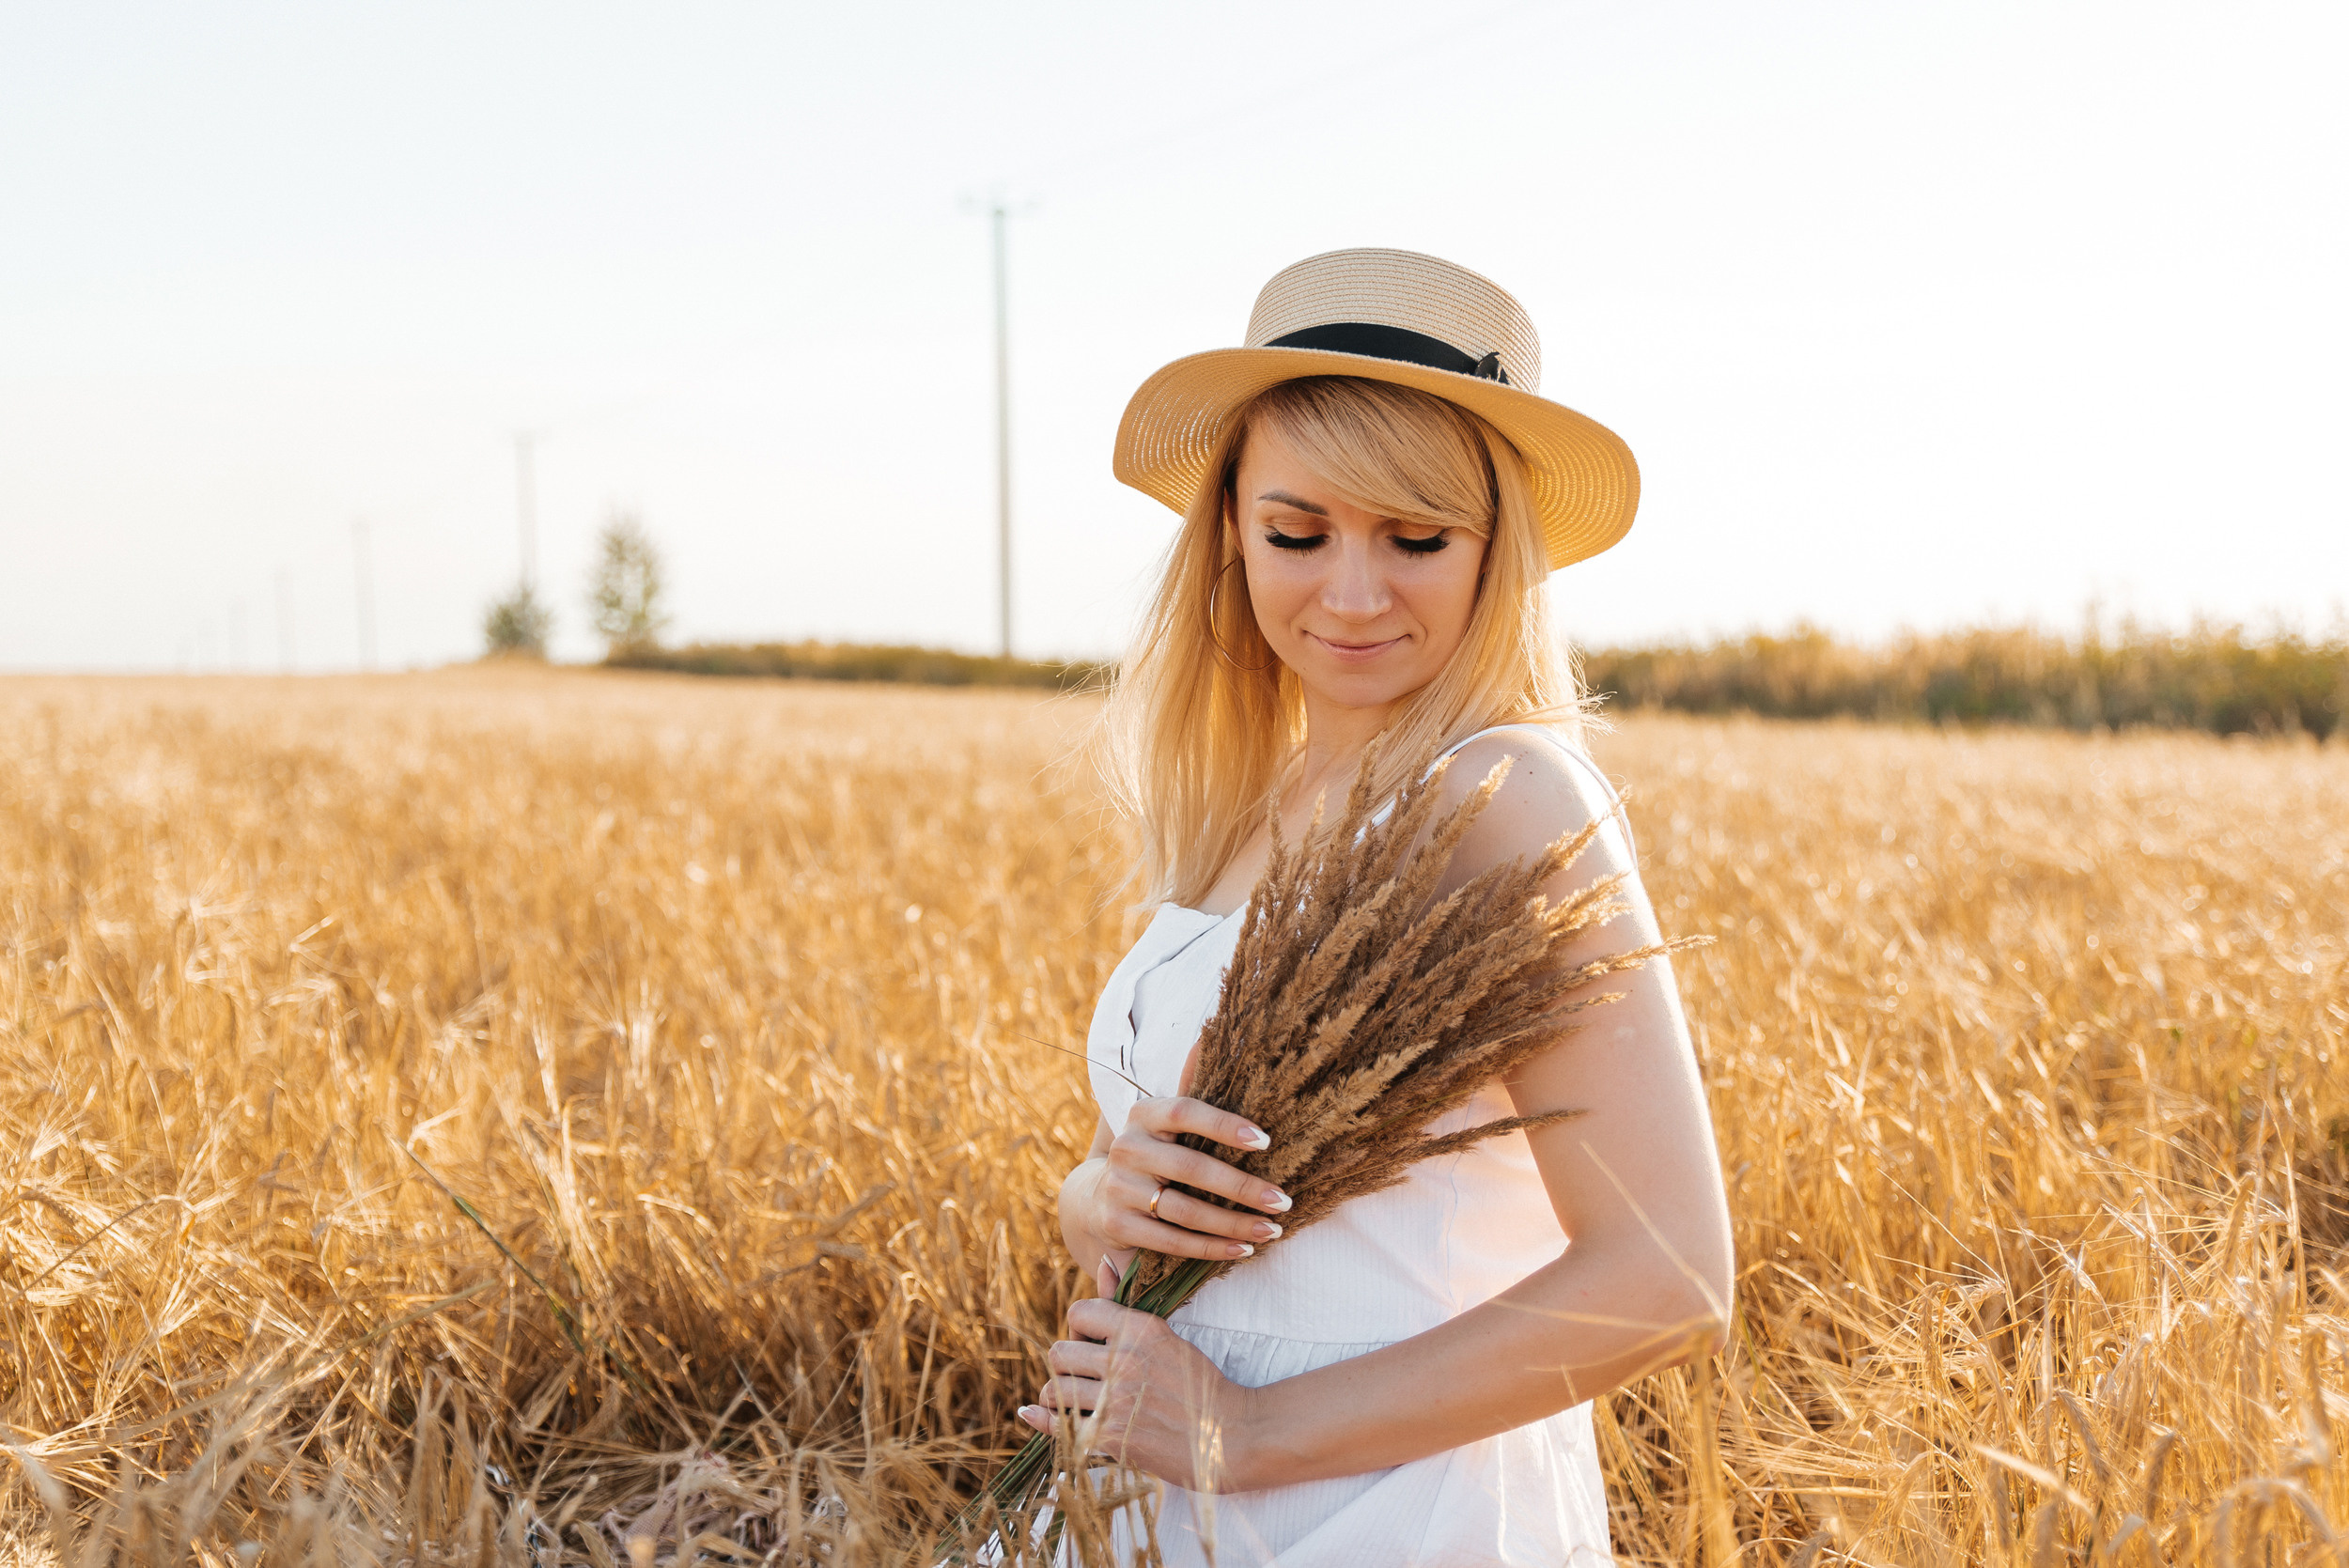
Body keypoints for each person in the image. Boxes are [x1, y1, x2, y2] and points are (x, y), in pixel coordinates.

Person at [1031, 249, 1734, 1566]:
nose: (1352, 593)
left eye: (1415, 537)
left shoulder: (1504, 793)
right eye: (1298, 533)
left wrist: (1250, 1431)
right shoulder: (1253, 795)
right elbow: (1179, 1163)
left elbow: (1669, 1278)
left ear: (1493, 550)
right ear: (1231, 532)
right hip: (1153, 1490)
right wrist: (1100, 1200)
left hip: (1394, 1518)